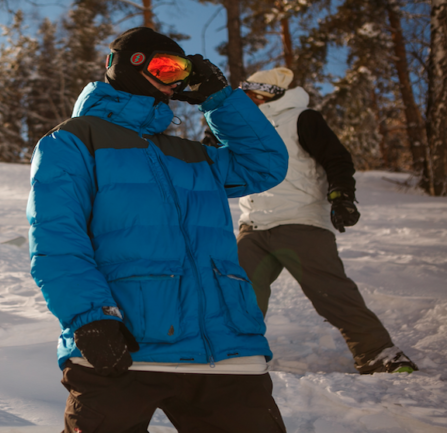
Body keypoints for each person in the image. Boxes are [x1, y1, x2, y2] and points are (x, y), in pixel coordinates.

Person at [27, 27, 289, 432]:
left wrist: (220, 99)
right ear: (126, 66)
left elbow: (266, 166)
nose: (174, 81)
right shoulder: (75, 140)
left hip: (227, 352)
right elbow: (57, 238)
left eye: (182, 72)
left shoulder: (194, 155)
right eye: (165, 68)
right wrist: (90, 317)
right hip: (124, 348)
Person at [234, 67, 418, 375]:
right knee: (236, 291)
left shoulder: (302, 119)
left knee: (330, 292)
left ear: (269, 94)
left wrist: (341, 196)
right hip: (253, 226)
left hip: (299, 221)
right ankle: (236, 353)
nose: (247, 101)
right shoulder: (243, 127)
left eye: (252, 95)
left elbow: (336, 158)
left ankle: (377, 352)